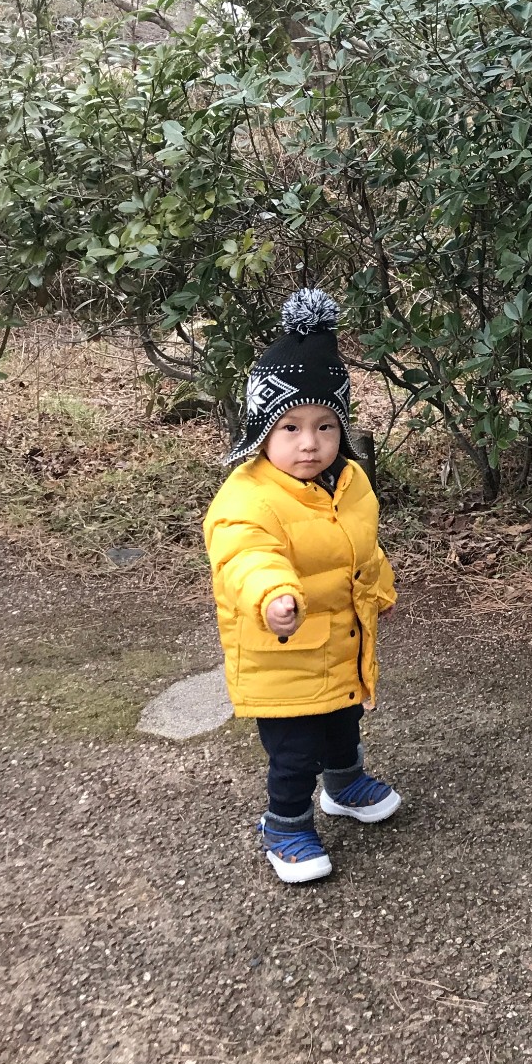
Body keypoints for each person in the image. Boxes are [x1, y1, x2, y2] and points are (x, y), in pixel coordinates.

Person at [204, 289, 401, 885]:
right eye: (290, 426)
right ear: (262, 428)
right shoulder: (248, 495)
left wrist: (379, 589)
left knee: (343, 719)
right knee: (293, 750)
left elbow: (363, 548)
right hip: (282, 649)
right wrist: (272, 595)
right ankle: (285, 824)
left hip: (341, 638)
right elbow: (244, 554)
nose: (309, 442)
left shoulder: (352, 482)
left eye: (325, 425)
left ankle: (343, 786)